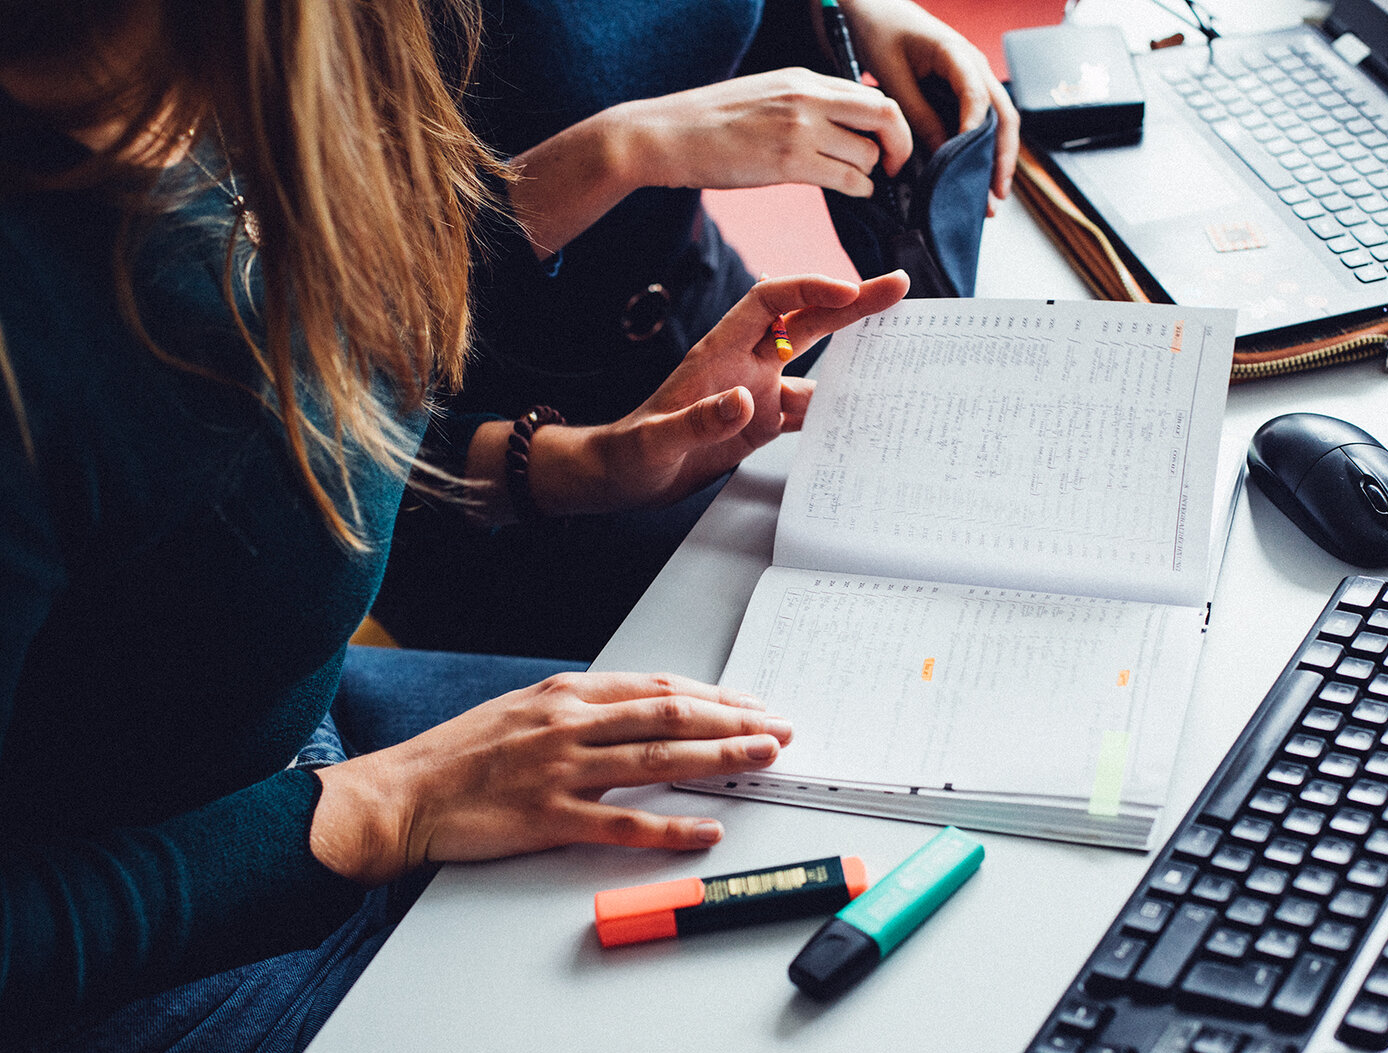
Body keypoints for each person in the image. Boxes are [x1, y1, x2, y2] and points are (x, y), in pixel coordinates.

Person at [0, 0, 909, 1053]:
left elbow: (252, 473)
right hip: (122, 992)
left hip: (305, 752)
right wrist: (386, 807)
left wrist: (572, 467)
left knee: (827, 804)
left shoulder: (239, 76)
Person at [371, 0, 1021, 661]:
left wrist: (840, 19)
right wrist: (622, 150)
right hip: (476, 450)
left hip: (707, 318)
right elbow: (350, 309)